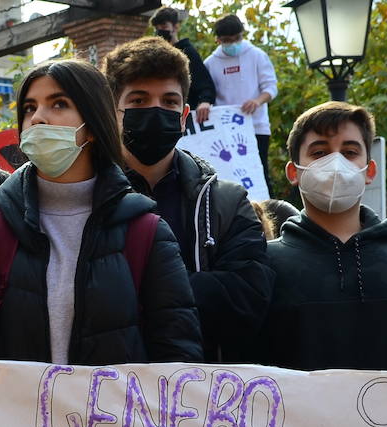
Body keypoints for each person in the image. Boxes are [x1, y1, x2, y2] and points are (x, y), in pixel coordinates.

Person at [0, 59, 201, 365]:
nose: (38, 118)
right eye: (29, 108)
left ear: (93, 125)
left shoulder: (146, 234)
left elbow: (178, 358)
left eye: (58, 104)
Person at [103, 36, 270, 362]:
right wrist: (192, 288)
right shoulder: (84, 197)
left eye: (169, 101)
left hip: (199, 383)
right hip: (107, 384)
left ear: (184, 115)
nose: (155, 111)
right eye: (139, 100)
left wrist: (137, 289)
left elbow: (247, 299)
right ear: (112, 112)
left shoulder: (226, 203)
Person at [253, 102, 387, 370]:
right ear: (294, 172)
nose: (335, 164)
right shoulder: (263, 264)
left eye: (349, 152)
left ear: (369, 171)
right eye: (319, 152)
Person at [204, 14, 277, 193]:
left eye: (237, 38)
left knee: (259, 173)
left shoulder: (257, 55)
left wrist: (257, 101)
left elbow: (271, 87)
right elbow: (208, 93)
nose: (233, 44)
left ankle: (267, 207)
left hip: (256, 127)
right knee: (227, 175)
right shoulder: (211, 63)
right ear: (218, 40)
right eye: (227, 40)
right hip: (225, 130)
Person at [150, 6, 216, 128]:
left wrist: (205, 101)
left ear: (176, 27)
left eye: (164, 26)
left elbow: (204, 83)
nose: (160, 31)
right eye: (157, 28)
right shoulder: (155, 55)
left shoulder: (188, 52)